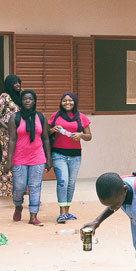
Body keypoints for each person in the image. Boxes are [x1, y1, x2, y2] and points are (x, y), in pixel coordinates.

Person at [6, 89, 51, 226]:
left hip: (37, 157)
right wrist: (9, 160)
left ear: (34, 101)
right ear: (21, 101)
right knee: (19, 187)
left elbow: (46, 139)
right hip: (19, 158)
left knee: (35, 186)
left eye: (30, 99)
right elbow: (12, 140)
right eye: (25, 99)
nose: (27, 101)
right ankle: (18, 205)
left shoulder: (40, 117)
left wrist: (49, 159)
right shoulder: (15, 118)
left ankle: (33, 216)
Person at [49, 92, 92, 223]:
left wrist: (80, 135)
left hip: (75, 156)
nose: (67, 103)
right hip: (58, 154)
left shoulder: (82, 117)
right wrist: (53, 129)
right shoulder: (55, 116)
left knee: (71, 184)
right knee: (63, 182)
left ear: (75, 102)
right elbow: (46, 132)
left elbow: (89, 136)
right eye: (64, 101)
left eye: (70, 100)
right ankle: (62, 212)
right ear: (61, 103)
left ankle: (67, 212)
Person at [0, 75, 23, 198]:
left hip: (19, 133)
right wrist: (8, 128)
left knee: (18, 158)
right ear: (9, 84)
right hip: (7, 132)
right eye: (15, 83)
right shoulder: (4, 97)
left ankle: (15, 187)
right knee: (7, 157)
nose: (18, 85)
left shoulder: (19, 97)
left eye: (19, 83)